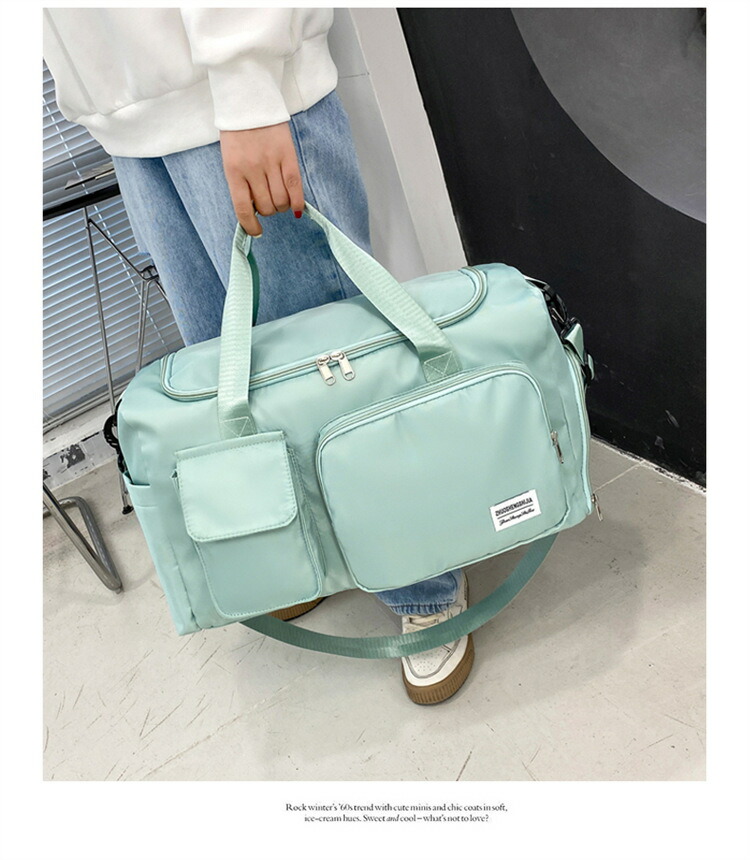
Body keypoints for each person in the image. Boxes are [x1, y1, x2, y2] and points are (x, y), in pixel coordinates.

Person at [44, 7, 473, 704]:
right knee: (238, 385)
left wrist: (247, 89)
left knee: (337, 376)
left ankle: (424, 579)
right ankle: (317, 557)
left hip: (230, 96)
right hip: (128, 118)